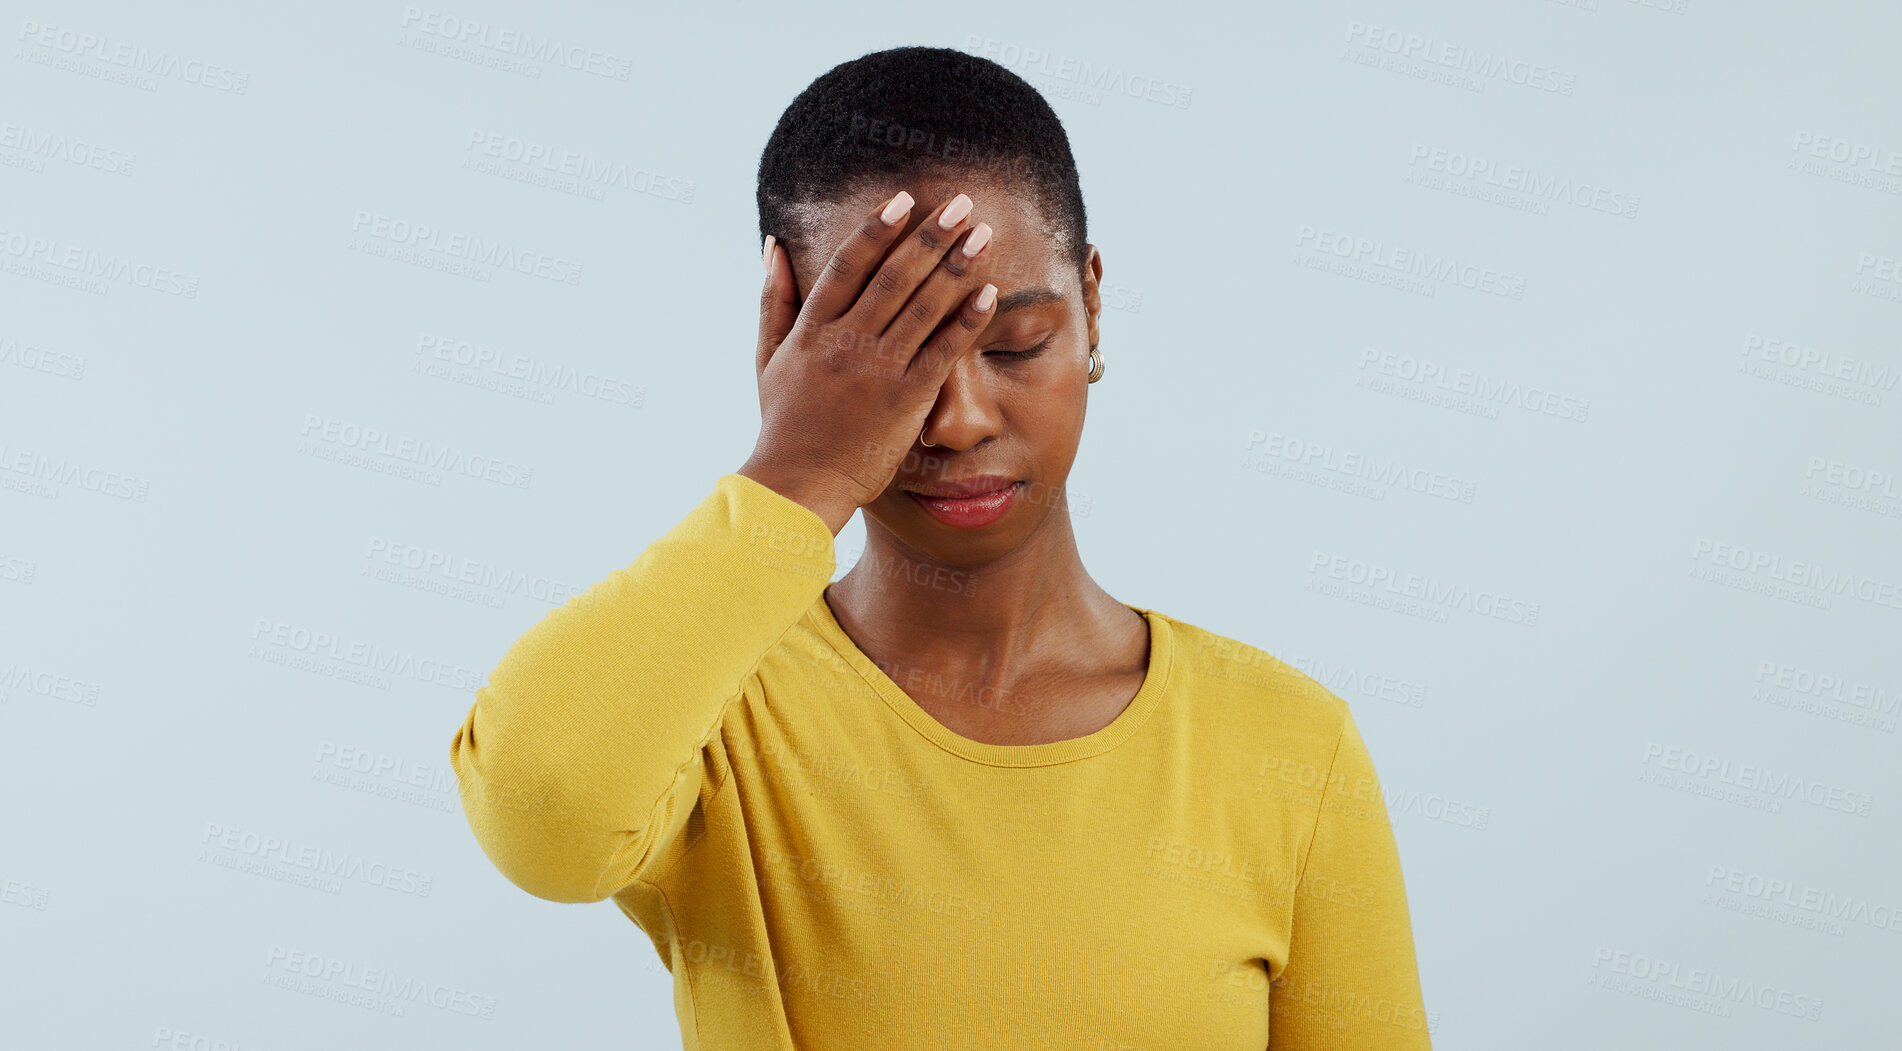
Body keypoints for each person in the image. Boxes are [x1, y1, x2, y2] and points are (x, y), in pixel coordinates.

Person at [450, 45, 1431, 1050]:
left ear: (1092, 303)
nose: (958, 418)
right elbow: (543, 815)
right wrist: (799, 470)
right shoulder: (714, 715)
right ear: (788, 346)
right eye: (897, 355)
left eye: (1013, 345)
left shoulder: (1288, 748)